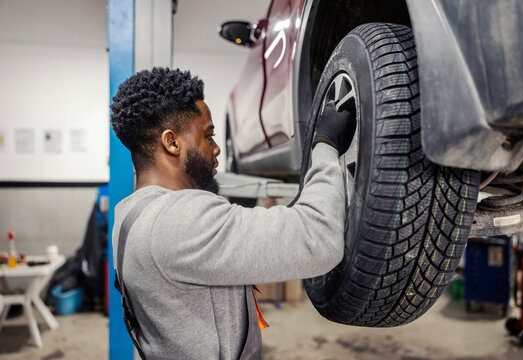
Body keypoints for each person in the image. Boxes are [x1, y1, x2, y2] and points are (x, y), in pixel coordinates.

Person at [110, 67, 356, 360]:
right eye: (208, 135)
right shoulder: (179, 220)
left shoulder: (129, 215)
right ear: (172, 142)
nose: (216, 149)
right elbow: (318, 238)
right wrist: (325, 145)